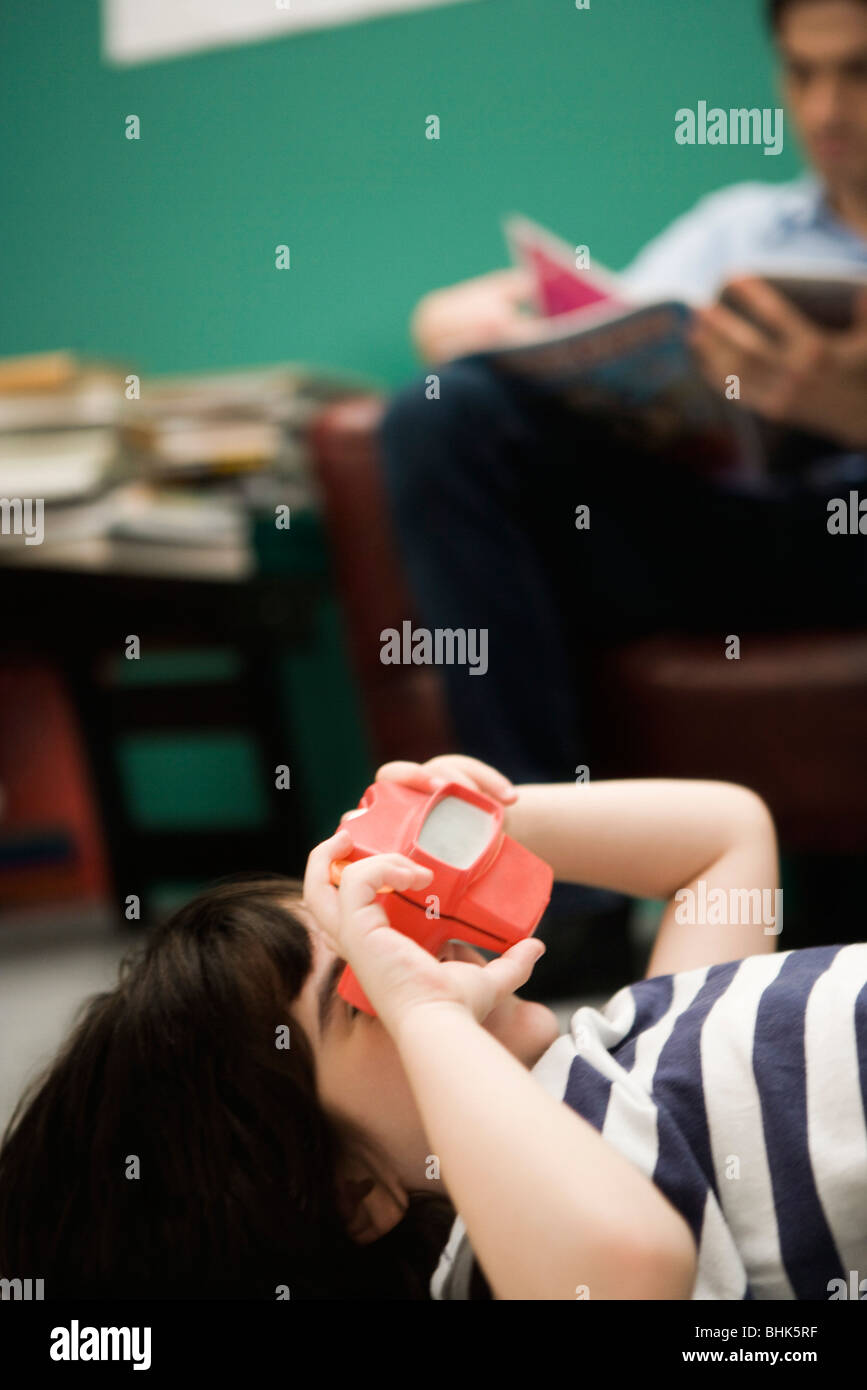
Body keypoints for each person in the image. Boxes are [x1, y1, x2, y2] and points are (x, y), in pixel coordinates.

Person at [3, 753, 865, 1301]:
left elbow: (723, 841)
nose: (428, 952)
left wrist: (472, 828)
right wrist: (424, 1008)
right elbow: (627, 1272)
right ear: (354, 1196)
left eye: (398, 925)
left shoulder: (622, 1048)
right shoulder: (509, 1255)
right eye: (366, 984)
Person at [378, 0, 867, 798]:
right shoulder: (736, 230)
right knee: (445, 410)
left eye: (858, 71)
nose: (823, 110)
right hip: (719, 532)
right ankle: (548, 883)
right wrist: (467, 326)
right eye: (801, 73)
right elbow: (616, 325)